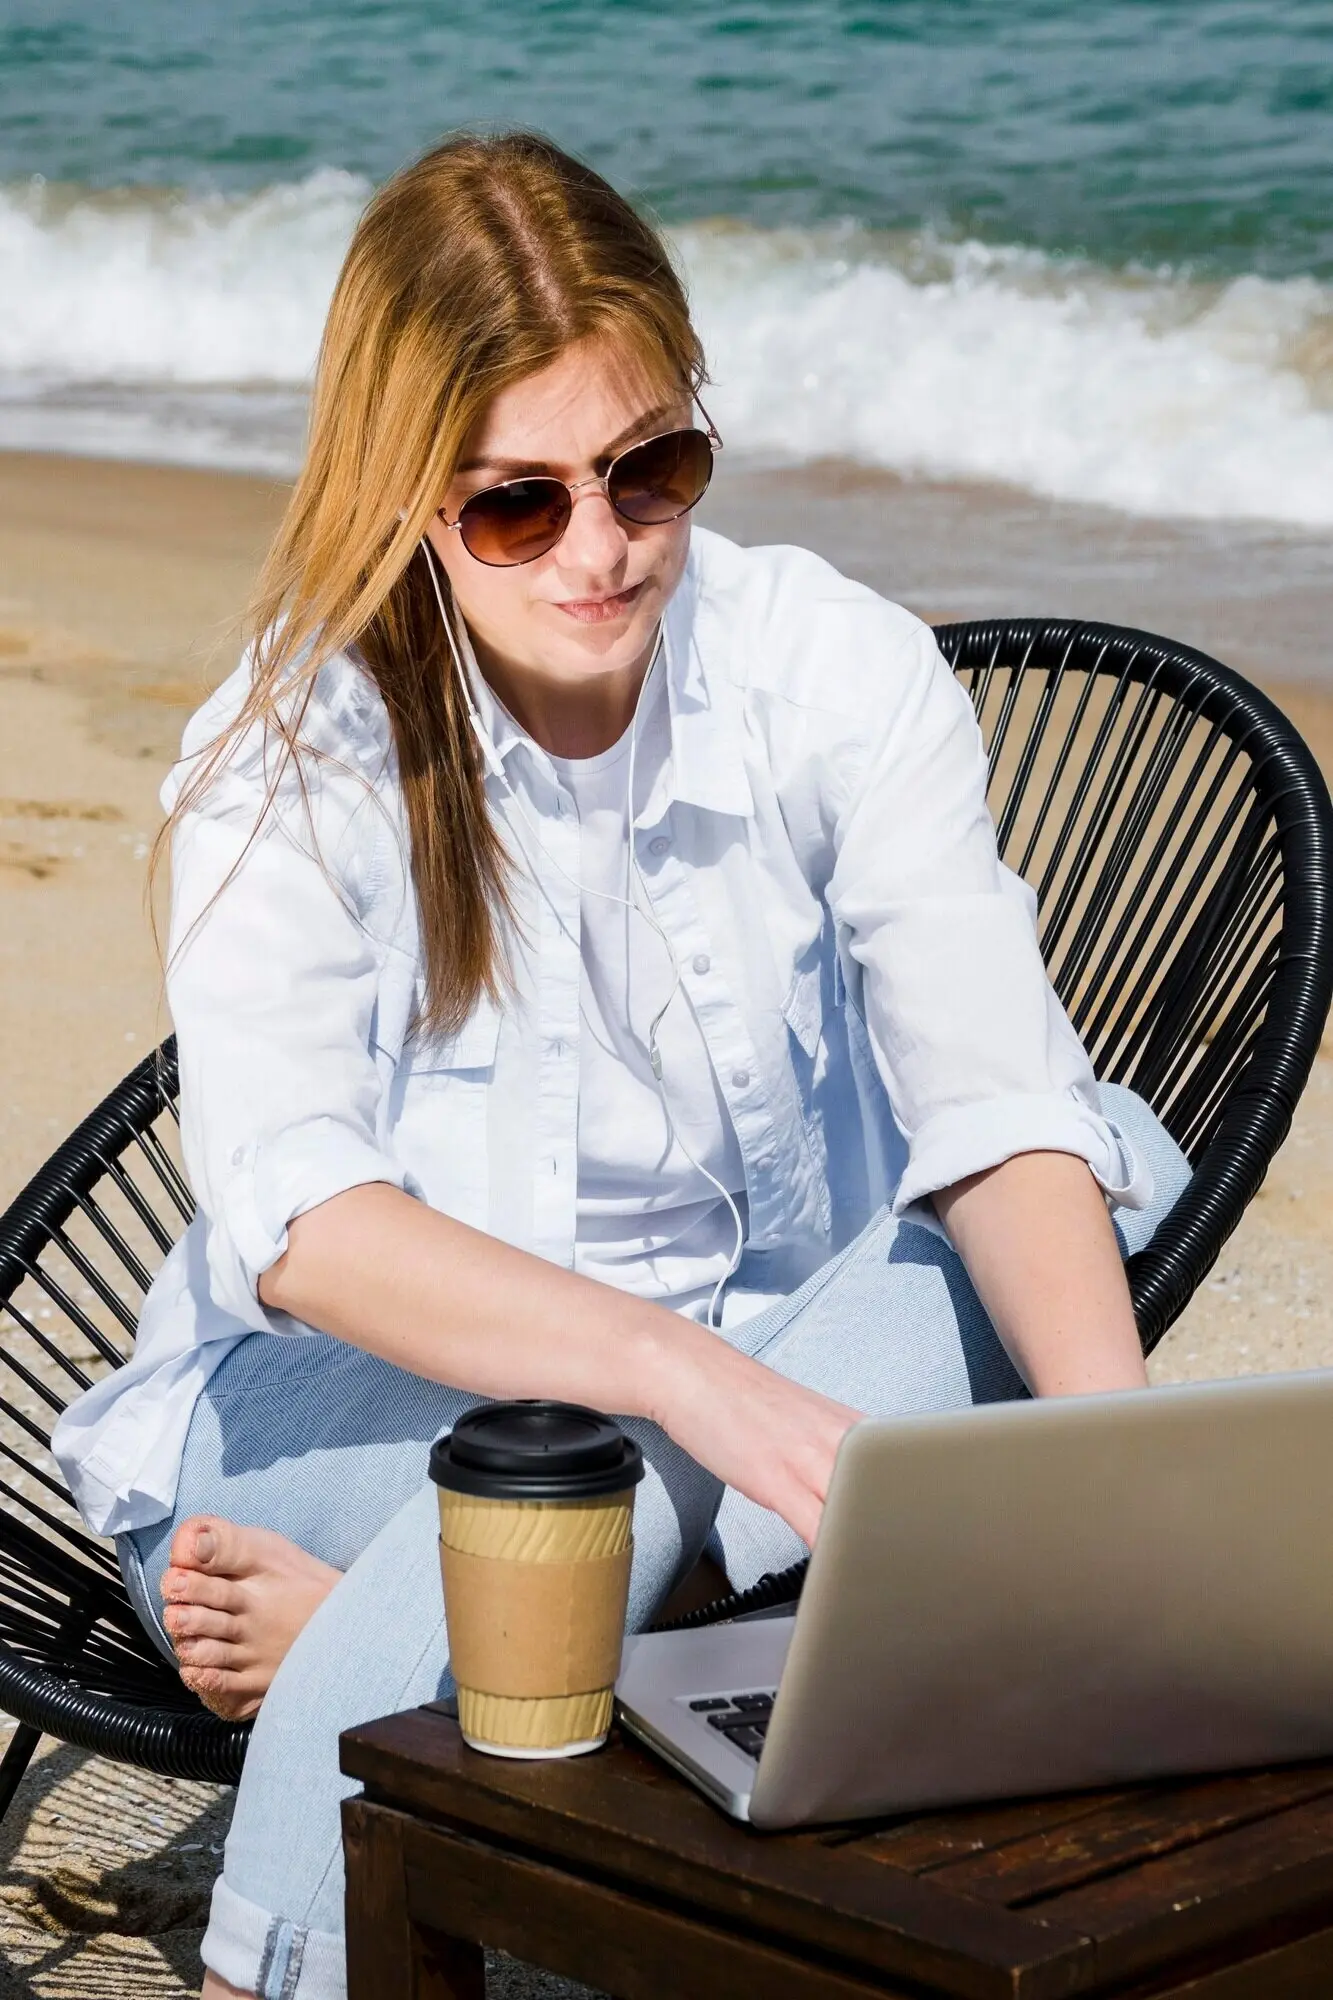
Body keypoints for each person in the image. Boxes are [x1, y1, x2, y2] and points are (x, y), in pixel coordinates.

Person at [53, 130, 1189, 2000]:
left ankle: (454, 1651)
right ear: (408, 490)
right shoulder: (293, 744)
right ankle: (557, 1633)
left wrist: (1114, 1492)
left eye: (649, 470)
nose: (602, 549)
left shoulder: (829, 667)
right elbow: (305, 1227)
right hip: (345, 1418)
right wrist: (695, 1383)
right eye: (520, 504)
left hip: (794, 1367)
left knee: (1064, 1179)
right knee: (593, 1449)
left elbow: (993, 1091)